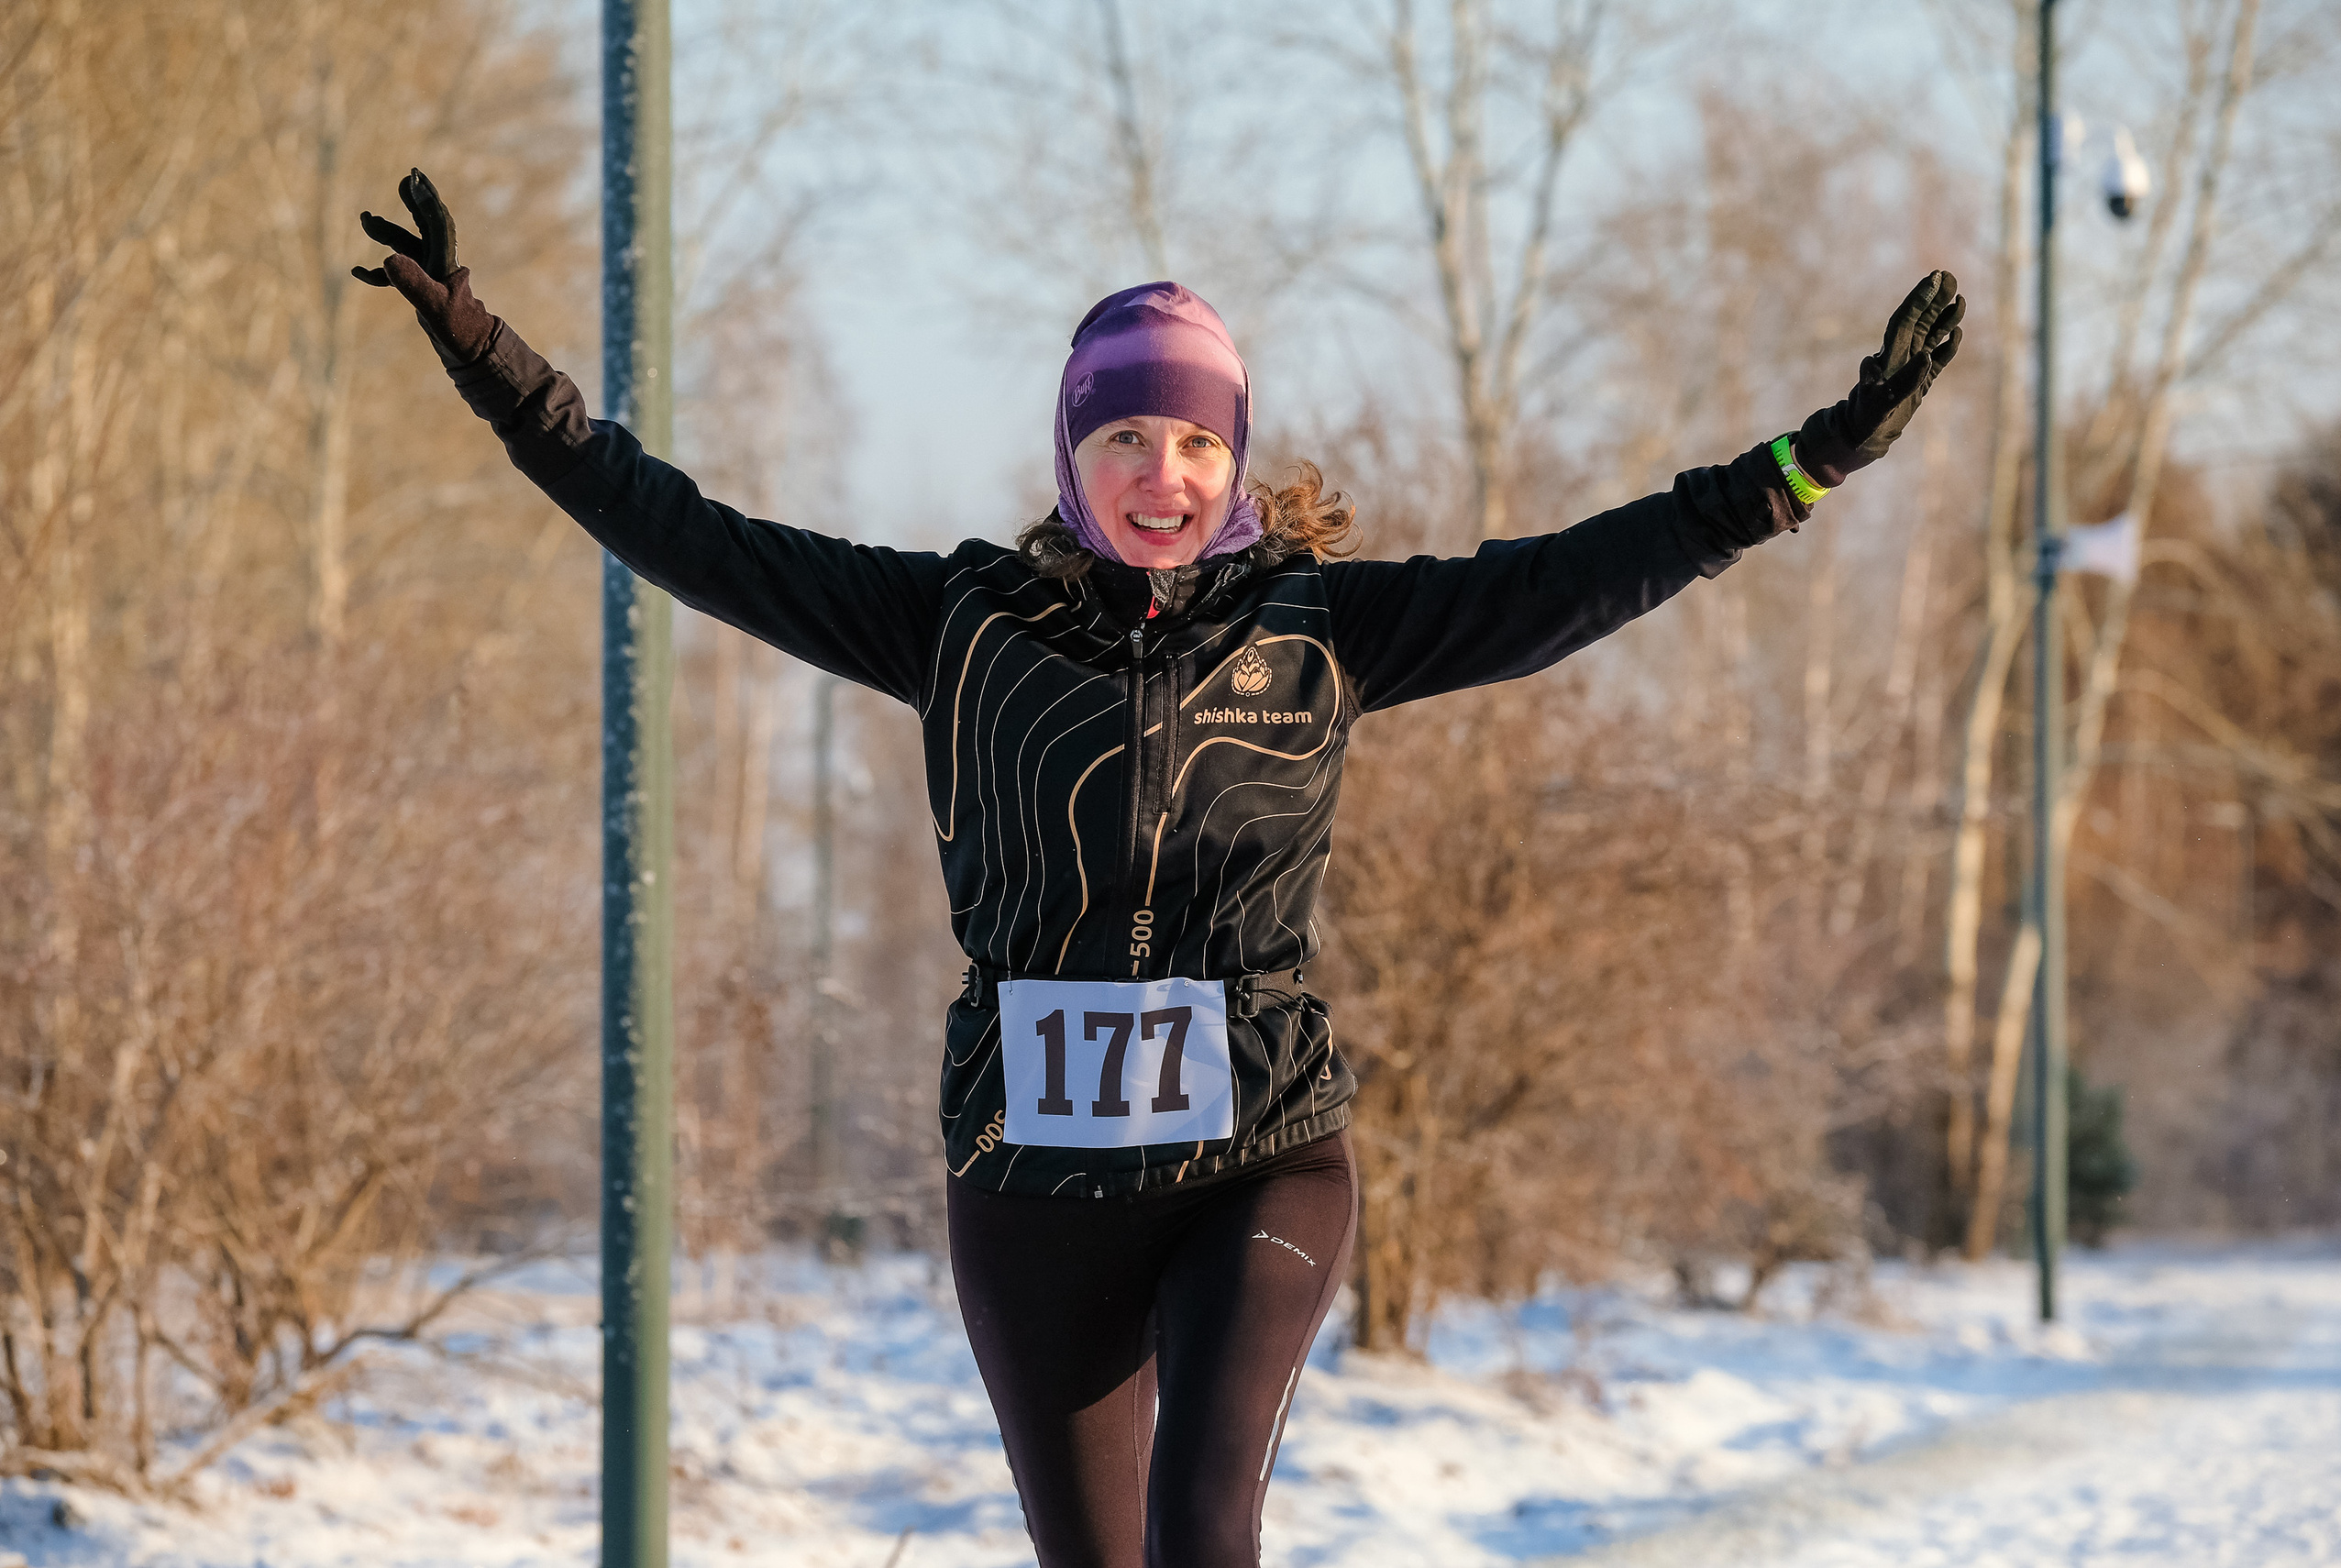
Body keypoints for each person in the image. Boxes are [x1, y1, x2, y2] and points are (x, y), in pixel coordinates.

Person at [357, 169, 1961, 1568]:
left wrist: (1807, 463)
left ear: (1233, 456)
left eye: (1196, 437)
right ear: (1075, 451)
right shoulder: (958, 624)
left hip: (1255, 1151)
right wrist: (496, 366)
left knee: (1208, 1534)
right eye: (1127, 431)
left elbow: (1577, 578)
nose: (1163, 471)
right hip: (1028, 1175)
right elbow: (685, 531)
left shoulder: (1324, 628)